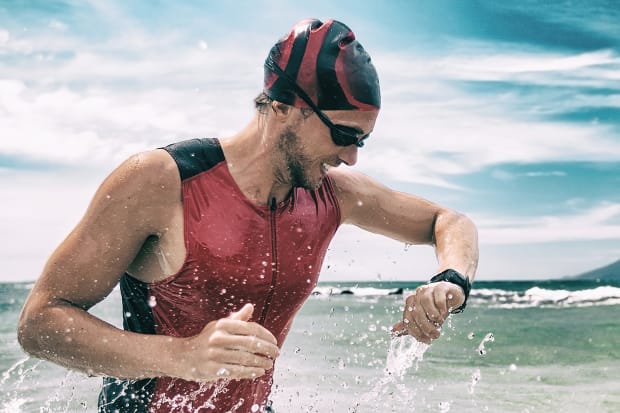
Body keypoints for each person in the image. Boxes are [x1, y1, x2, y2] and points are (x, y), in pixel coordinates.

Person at [18, 18, 478, 412]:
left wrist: (450, 281)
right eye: (341, 134)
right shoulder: (161, 181)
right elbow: (39, 324)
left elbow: (450, 222)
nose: (351, 157)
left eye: (361, 140)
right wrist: (184, 357)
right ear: (282, 108)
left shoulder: (332, 195)